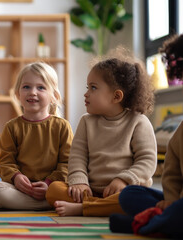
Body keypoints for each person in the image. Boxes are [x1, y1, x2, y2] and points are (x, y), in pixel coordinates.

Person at [45, 47, 157, 217]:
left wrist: (123, 179)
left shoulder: (138, 122)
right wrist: (79, 182)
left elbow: (147, 160)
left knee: (139, 200)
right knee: (53, 190)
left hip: (124, 190)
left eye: (93, 88)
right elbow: (77, 157)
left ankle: (84, 209)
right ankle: (98, 206)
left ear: (116, 96)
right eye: (87, 87)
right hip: (89, 191)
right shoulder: (86, 122)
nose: (86, 93)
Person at [110, 34, 183, 238]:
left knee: (178, 211)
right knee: (130, 195)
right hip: (177, 202)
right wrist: (170, 198)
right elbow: (172, 171)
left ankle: (148, 223)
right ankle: (162, 219)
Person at [0, 62, 73, 210]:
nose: (33, 92)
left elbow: (67, 163)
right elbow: (4, 163)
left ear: (54, 96)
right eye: (26, 87)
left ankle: (44, 200)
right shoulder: (11, 127)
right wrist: (16, 177)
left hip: (52, 187)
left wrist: (48, 183)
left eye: (41, 87)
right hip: (20, 189)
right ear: (17, 94)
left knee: (68, 189)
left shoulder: (62, 126)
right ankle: (47, 204)